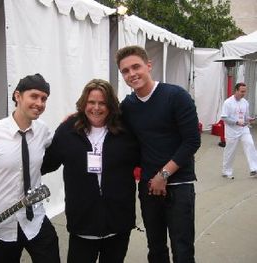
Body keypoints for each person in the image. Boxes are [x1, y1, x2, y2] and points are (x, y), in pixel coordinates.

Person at [0, 73, 60, 263]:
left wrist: (70, 123)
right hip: (0, 223)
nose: (39, 103)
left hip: (35, 219)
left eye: (44, 99)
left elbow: (56, 145)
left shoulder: (42, 130)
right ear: (17, 96)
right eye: (34, 96)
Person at [116, 45, 201, 263]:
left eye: (136, 67)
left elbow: (192, 141)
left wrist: (163, 175)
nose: (132, 74)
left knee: (182, 249)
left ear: (149, 65)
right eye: (125, 71)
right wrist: (76, 116)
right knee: (155, 248)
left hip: (179, 184)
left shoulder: (176, 96)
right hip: (148, 187)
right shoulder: (128, 105)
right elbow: (106, 121)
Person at [41, 79, 140, 263]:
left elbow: (145, 155)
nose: (96, 108)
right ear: (83, 104)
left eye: (102, 103)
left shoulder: (125, 130)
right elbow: (47, 163)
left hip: (118, 221)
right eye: (91, 102)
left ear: (110, 105)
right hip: (82, 221)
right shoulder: (68, 129)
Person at [221, 82, 257, 179]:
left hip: (243, 129)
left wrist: (250, 119)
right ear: (236, 90)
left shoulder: (245, 102)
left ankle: (254, 169)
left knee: (250, 144)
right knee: (230, 151)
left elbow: (245, 117)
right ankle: (226, 171)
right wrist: (236, 122)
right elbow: (224, 118)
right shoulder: (228, 102)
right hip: (232, 131)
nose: (243, 93)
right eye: (241, 91)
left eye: (245, 91)